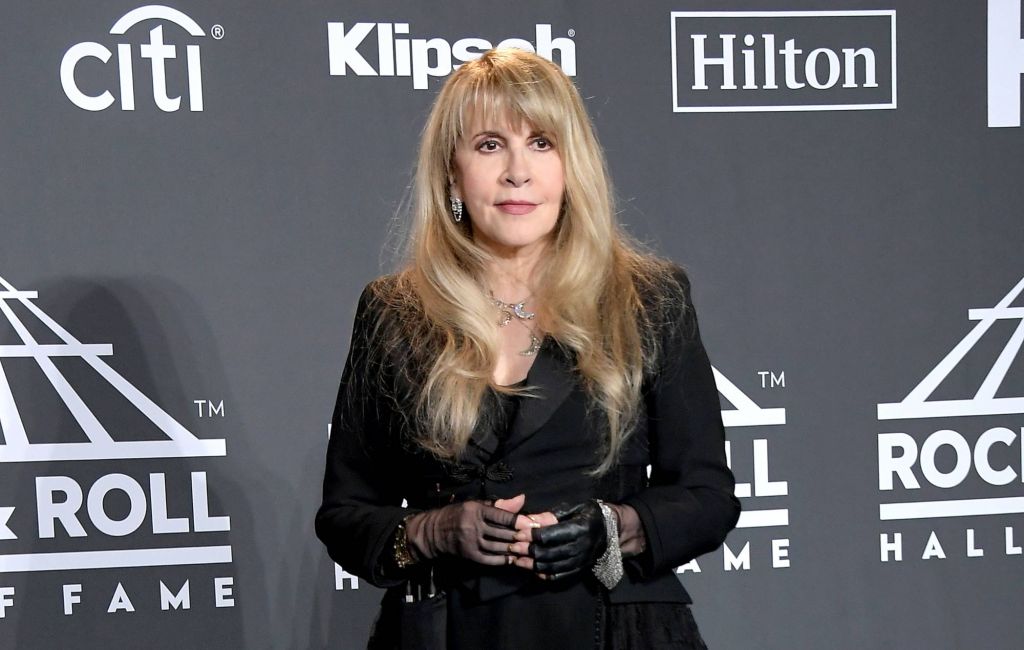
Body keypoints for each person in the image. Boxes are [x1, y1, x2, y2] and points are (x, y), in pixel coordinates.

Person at [315, 48, 740, 650]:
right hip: (446, 630)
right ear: (451, 172)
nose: (518, 171)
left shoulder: (647, 298)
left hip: (615, 629)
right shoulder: (395, 311)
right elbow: (345, 513)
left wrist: (611, 529)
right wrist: (435, 531)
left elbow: (707, 496)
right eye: (490, 145)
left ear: (573, 165)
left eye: (541, 142)